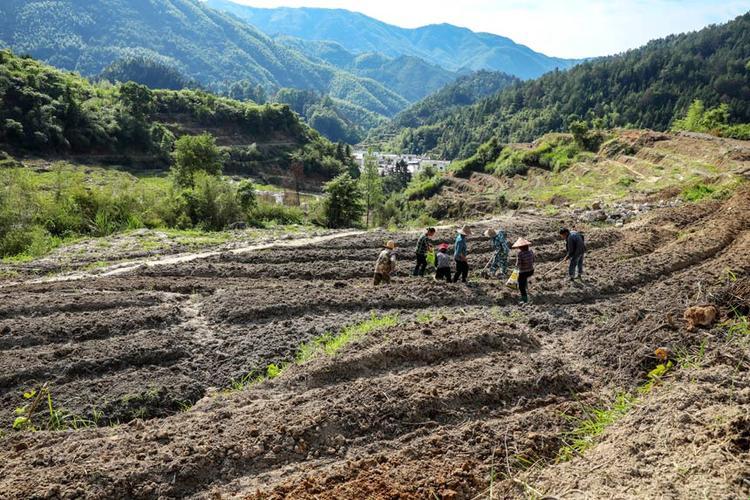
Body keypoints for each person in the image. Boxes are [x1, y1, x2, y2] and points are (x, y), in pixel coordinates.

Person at [512, 238, 534, 304]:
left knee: (521, 286)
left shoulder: (520, 254)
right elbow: (533, 260)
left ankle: (525, 299)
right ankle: (526, 285)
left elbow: (518, 264)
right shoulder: (531, 251)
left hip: (523, 272)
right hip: (531, 271)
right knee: (524, 278)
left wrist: (515, 269)